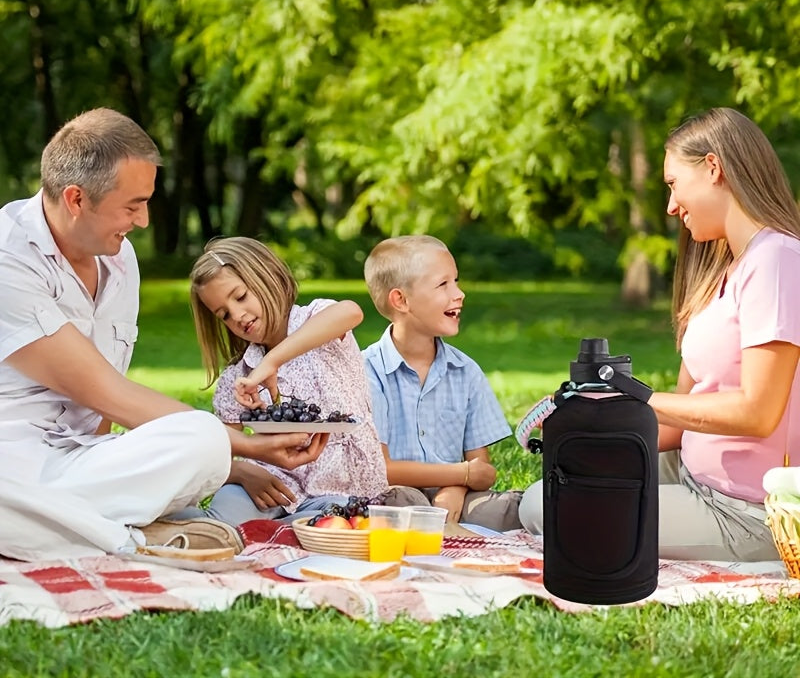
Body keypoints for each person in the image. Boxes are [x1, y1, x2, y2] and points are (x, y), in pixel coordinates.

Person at [0, 108, 326, 561]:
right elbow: (106, 391)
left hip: (80, 462)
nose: (144, 220)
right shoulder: (8, 257)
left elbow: (101, 414)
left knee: (200, 439)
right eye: (133, 205)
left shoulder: (118, 260)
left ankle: (94, 523)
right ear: (76, 199)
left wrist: (205, 455)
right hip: (11, 462)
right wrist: (250, 446)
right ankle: (131, 537)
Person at [519, 107, 800, 561]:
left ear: (713, 168)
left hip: (746, 512)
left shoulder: (779, 261)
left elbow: (758, 413)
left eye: (673, 184)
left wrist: (634, 394)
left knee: (542, 507)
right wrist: (595, 431)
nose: (670, 206)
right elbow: (686, 411)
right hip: (688, 471)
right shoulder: (728, 270)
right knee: (562, 477)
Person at [180, 236, 388, 526]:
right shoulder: (239, 378)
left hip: (340, 488)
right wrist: (241, 472)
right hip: (265, 484)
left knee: (318, 529)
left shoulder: (318, 322)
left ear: (269, 276)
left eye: (241, 297)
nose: (238, 316)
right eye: (224, 315)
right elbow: (221, 449)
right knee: (217, 525)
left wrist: (272, 361)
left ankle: (275, 533)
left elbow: (351, 311)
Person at [362, 235, 521, 532]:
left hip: (456, 500)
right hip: (396, 495)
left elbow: (483, 472)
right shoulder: (367, 371)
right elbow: (380, 470)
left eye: (456, 282)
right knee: (398, 503)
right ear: (401, 300)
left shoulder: (466, 372)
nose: (459, 294)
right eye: (443, 284)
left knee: (511, 509)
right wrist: (461, 476)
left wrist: (455, 489)